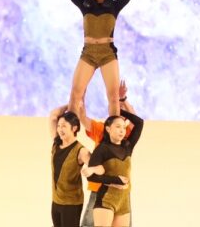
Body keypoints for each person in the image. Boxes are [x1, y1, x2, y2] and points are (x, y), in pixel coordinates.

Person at [64, 0, 135, 117]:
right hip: (88, 53)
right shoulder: (85, 6)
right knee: (75, 94)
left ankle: (113, 130)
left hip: (107, 53)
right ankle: (71, 128)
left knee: (113, 97)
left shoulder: (114, 6)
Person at [74, 83, 137, 227]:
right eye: (113, 105)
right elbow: (83, 118)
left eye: (119, 107)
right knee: (89, 224)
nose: (116, 109)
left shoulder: (124, 132)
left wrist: (123, 100)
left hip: (122, 191)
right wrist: (81, 98)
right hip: (100, 187)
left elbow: (136, 120)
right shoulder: (100, 128)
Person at [82, 109, 143, 227]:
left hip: (123, 201)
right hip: (106, 199)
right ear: (108, 129)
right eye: (118, 127)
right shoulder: (102, 149)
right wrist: (115, 180)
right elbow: (91, 177)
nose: (122, 130)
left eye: (123, 127)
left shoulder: (127, 146)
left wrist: (120, 111)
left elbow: (139, 122)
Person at [48, 108, 90, 227]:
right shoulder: (57, 143)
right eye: (59, 126)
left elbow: (97, 167)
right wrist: (70, 104)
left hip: (72, 203)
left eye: (64, 126)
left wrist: (91, 170)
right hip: (56, 202)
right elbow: (53, 115)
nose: (60, 129)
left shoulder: (81, 151)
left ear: (74, 128)